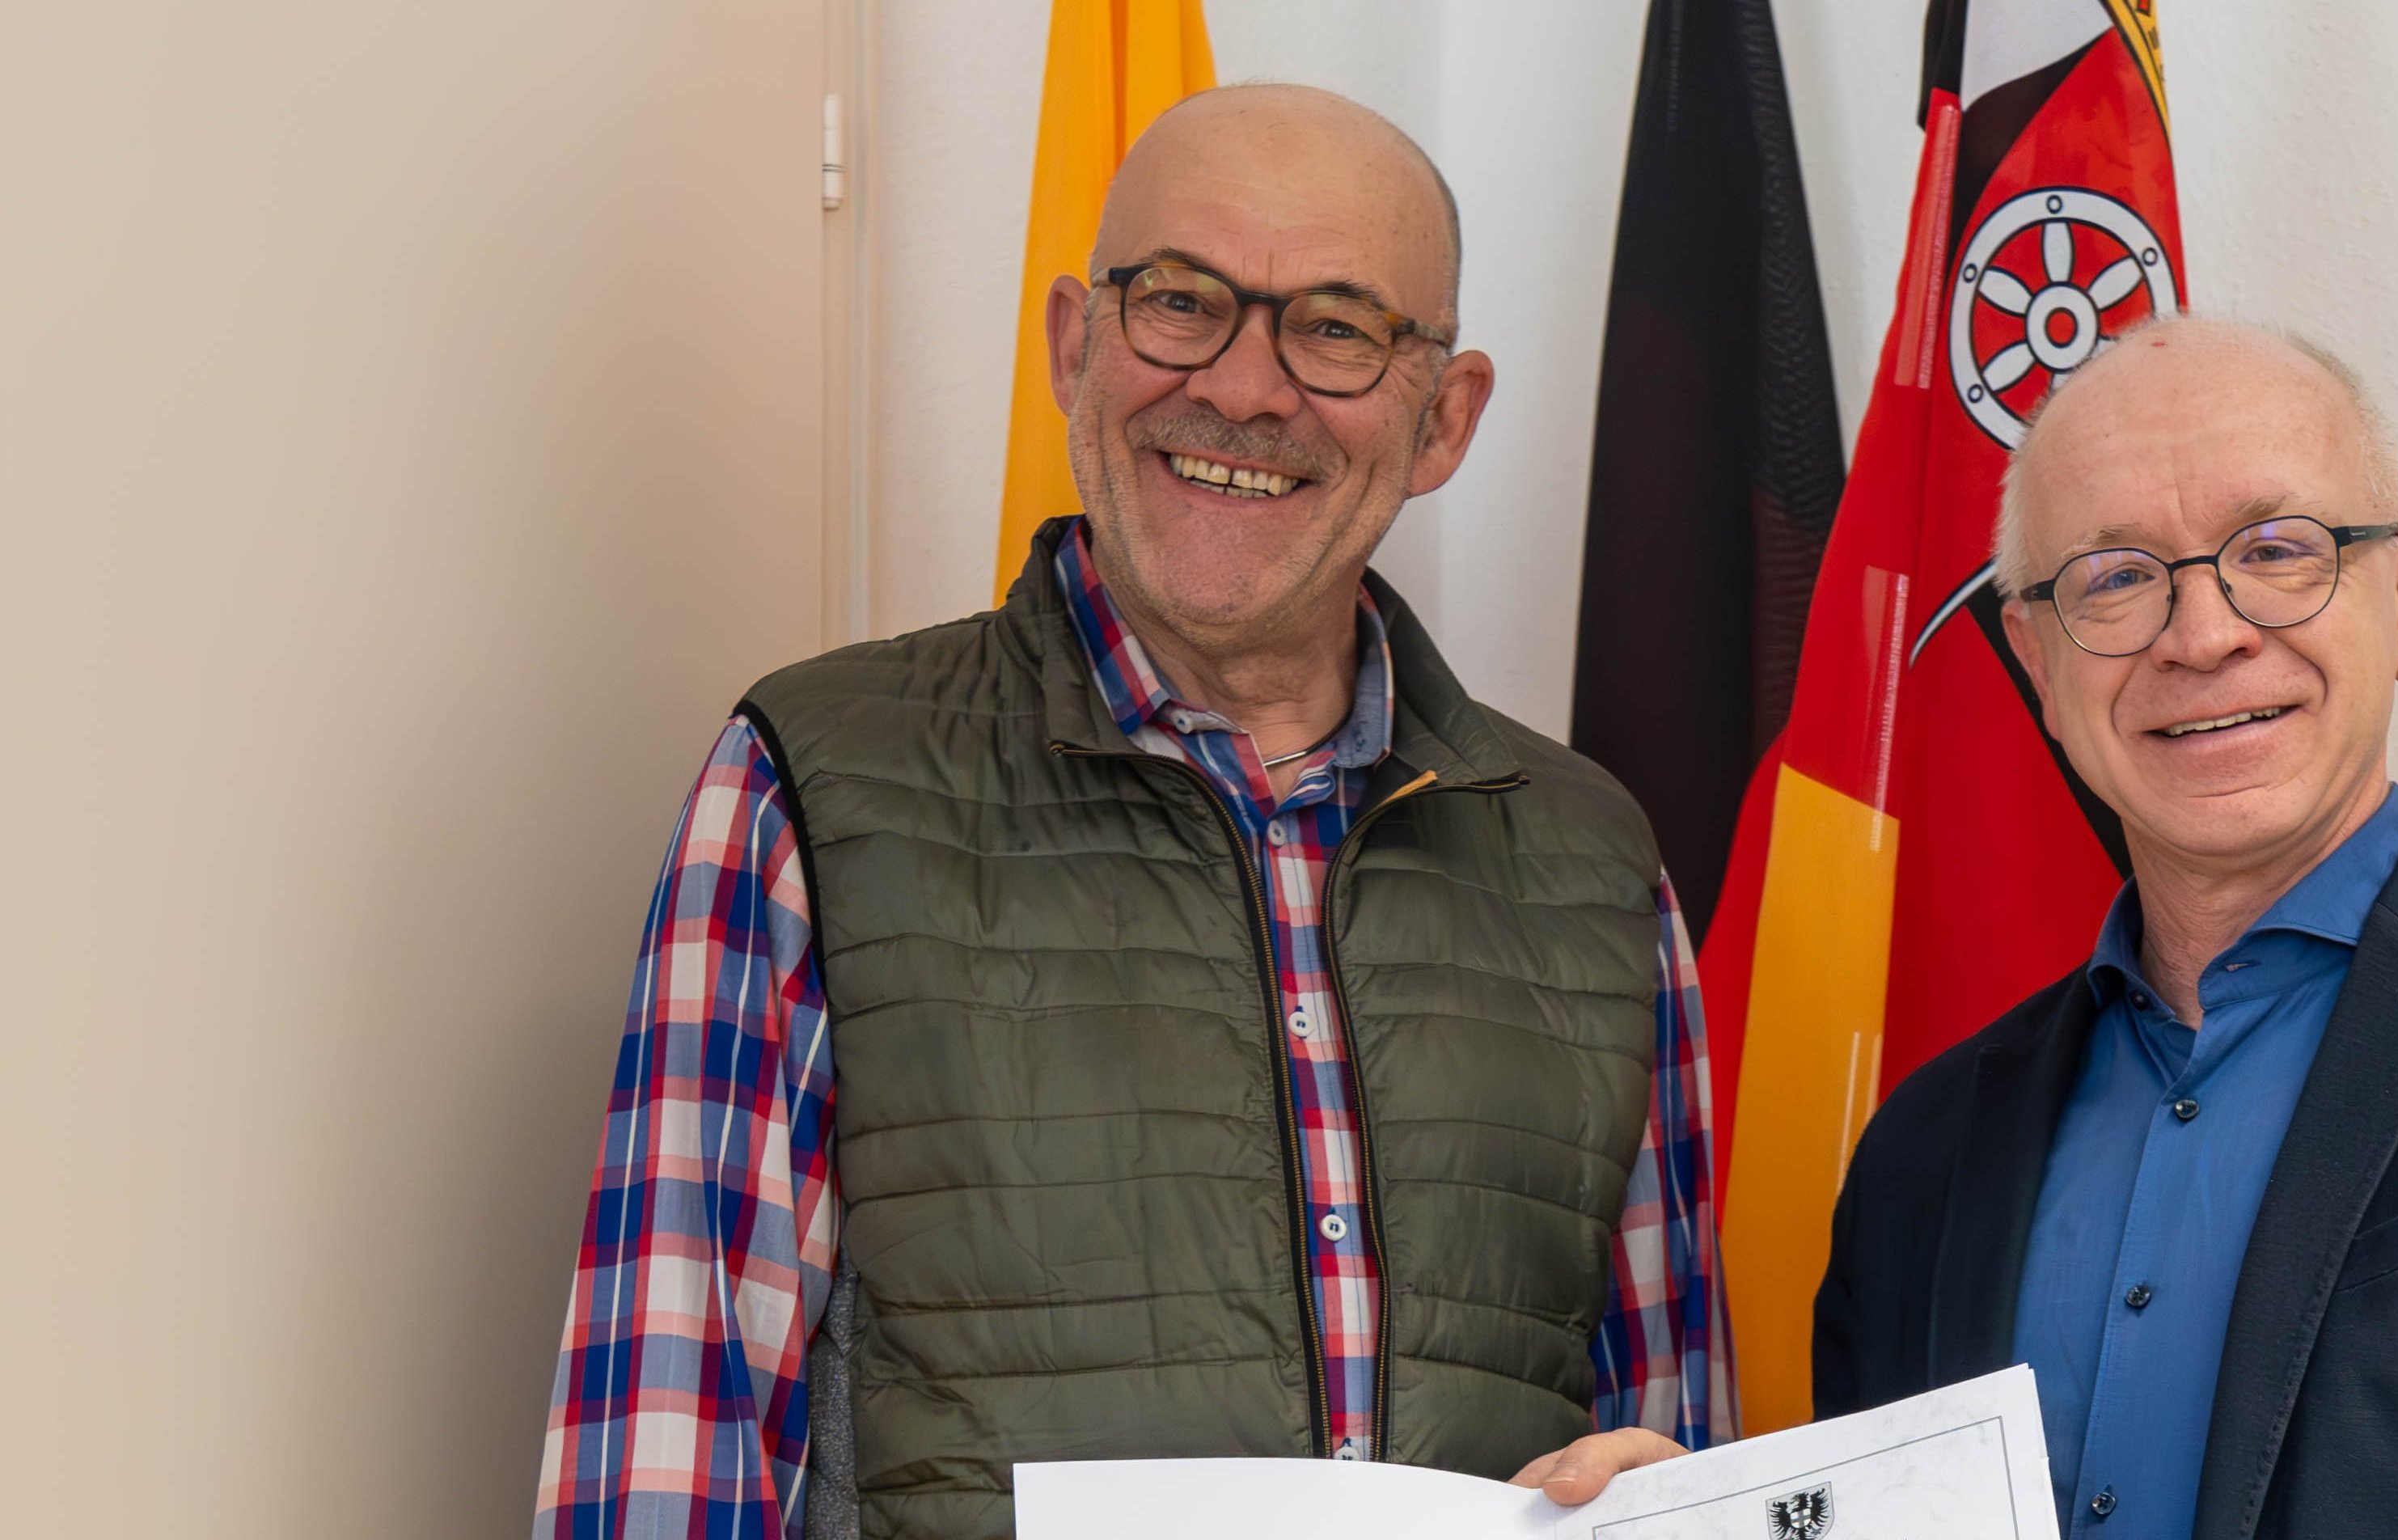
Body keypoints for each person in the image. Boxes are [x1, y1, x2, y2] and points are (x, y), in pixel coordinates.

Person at [531, 85, 1730, 1540]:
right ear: (1071, 344)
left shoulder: (1597, 871)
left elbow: (1683, 1473)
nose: (1241, 387)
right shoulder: (809, 788)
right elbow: (667, 1471)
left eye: (1339, 327)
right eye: (1181, 301)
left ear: (1444, 418)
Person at [1531, 318, 2398, 1534]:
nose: (2203, 634)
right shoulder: (1925, 1152)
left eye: (2277, 551)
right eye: (2116, 578)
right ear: (2040, 664)